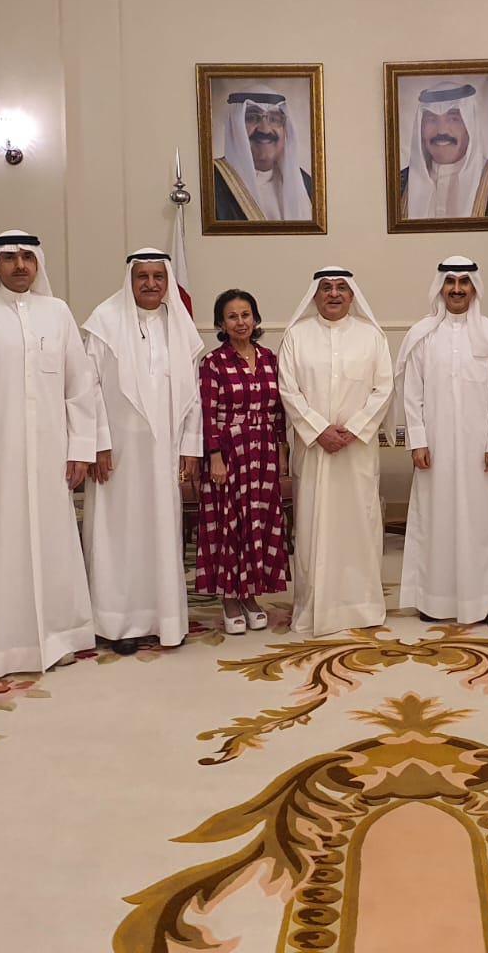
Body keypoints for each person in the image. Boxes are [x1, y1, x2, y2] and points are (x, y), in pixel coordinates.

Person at [0, 231, 97, 676]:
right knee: (1, 550)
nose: (20, 266)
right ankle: (2, 648)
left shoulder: (57, 312)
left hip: (52, 457)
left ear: (38, 264)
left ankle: (58, 637)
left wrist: (80, 448)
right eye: (10, 258)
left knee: (54, 546)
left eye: (28, 258)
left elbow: (80, 387)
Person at [81, 250, 204, 654]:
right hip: (117, 451)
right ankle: (118, 623)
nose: (151, 284)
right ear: (129, 281)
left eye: (158, 277)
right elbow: (88, 387)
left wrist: (190, 446)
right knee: (118, 534)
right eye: (142, 277)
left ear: (167, 281)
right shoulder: (104, 322)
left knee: (161, 532)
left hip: (163, 449)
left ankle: (163, 619)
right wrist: (98, 443)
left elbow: (193, 396)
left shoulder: (180, 327)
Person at [277, 268, 395, 637]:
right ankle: (315, 608)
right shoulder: (296, 336)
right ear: (314, 295)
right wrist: (319, 430)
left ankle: (361, 606)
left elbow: (384, 388)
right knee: (313, 528)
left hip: (357, 451)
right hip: (314, 451)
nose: (333, 294)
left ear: (352, 294)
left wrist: (354, 428)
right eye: (326, 288)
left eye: (341, 287)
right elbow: (288, 390)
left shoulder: (371, 337)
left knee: (359, 526)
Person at [398, 256, 488, 624]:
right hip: (435, 448)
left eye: (465, 282)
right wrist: (417, 439)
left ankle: (485, 600)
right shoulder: (422, 335)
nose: (458, 289)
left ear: (475, 288)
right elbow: (412, 393)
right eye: (451, 281)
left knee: (481, 523)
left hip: (480, 450)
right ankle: (434, 601)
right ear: (441, 287)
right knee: (435, 521)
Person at [197, 288, 289, 634]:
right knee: (230, 524)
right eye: (232, 316)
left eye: (246, 315)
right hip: (229, 452)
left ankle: (250, 595)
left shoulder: (269, 359)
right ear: (221, 324)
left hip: (263, 449)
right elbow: (207, 414)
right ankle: (230, 598)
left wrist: (281, 450)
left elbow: (278, 411)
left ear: (256, 318)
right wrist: (214, 456)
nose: (240, 322)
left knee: (258, 522)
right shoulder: (213, 362)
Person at [398, 82, 488, 221]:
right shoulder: (401, 183)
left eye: (453, 119)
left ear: (470, 126)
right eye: (431, 119)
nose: (441, 130)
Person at [212, 88, 315, 223]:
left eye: (274, 119)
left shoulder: (305, 184)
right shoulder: (213, 182)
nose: (265, 130)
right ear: (234, 126)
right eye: (252, 118)